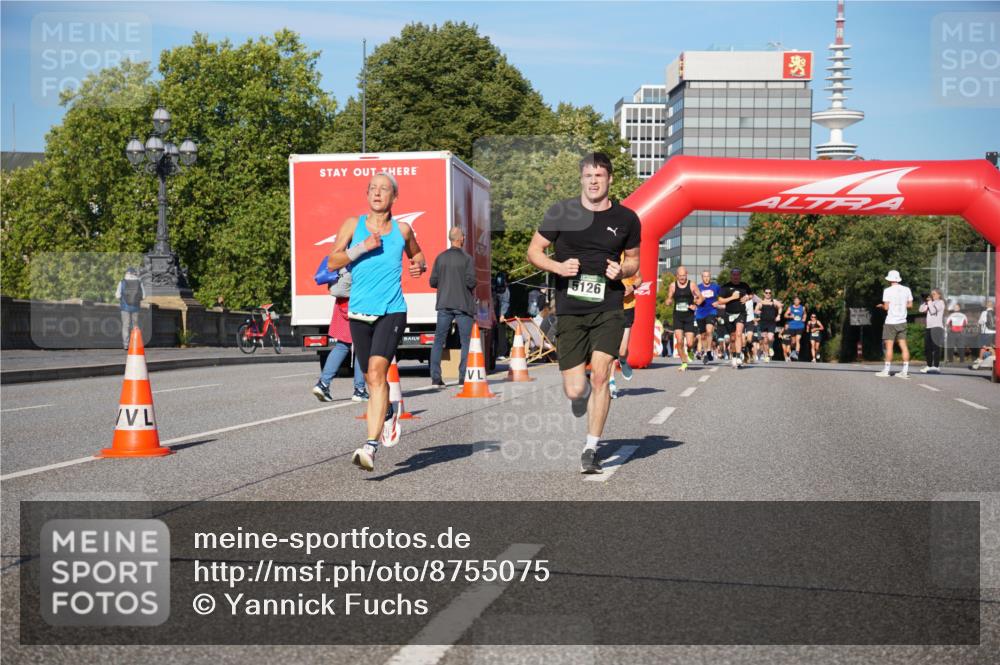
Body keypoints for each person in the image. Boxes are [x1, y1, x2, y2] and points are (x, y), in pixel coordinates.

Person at [526, 152, 640, 475]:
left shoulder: (627, 218)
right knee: (575, 389)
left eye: (599, 176)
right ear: (581, 179)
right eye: (588, 176)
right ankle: (583, 395)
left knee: (602, 372)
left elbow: (635, 260)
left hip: (609, 306)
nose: (593, 181)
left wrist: (622, 270)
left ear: (609, 179)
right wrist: (558, 267)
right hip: (571, 310)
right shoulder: (562, 213)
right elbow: (534, 251)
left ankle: (591, 449)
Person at [327, 172, 427, 471]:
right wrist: (361, 248)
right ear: (367, 195)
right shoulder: (352, 225)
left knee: (375, 370)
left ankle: (370, 446)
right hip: (359, 311)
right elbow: (332, 261)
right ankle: (386, 412)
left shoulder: (403, 230)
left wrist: (418, 265)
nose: (378, 193)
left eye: (384, 189)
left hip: (392, 310)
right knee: (372, 380)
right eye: (373, 189)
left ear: (394, 197)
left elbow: (418, 254)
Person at [429, 227, 476, 388]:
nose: (464, 238)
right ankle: (463, 377)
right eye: (464, 236)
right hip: (463, 305)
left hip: (444, 304)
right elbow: (471, 282)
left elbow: (432, 282)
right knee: (466, 342)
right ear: (460, 238)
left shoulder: (440, 258)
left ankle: (436, 378)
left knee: (438, 340)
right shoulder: (467, 258)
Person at [312, 269, 367, 402]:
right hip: (358, 302)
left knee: (342, 345)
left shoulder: (342, 256)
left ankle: (323, 383)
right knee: (362, 346)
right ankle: (359, 390)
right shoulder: (359, 253)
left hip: (342, 303)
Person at [611, 257, 641, 398]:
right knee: (609, 347)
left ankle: (623, 360)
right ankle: (611, 383)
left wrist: (632, 287)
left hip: (628, 307)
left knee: (622, 351)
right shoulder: (607, 254)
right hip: (610, 306)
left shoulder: (630, 257)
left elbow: (639, 278)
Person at [875, 269, 913, 378]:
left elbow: (886, 307)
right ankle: (904, 371)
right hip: (902, 321)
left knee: (889, 346)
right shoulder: (907, 289)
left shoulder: (887, 291)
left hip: (891, 322)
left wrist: (882, 306)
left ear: (889, 280)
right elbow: (910, 305)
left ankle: (886, 371)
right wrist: (901, 305)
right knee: (903, 345)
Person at [715, 268, 754, 369]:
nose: (736, 277)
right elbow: (720, 301)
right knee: (732, 337)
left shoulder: (744, 285)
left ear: (740, 276)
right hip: (728, 314)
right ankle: (734, 356)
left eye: (738, 275)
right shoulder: (725, 287)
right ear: (731, 276)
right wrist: (732, 297)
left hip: (741, 313)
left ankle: (738, 355)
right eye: (734, 275)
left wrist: (747, 298)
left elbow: (751, 294)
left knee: (738, 333)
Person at [665, 267, 701, 371]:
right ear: (677, 275)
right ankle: (684, 363)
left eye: (684, 276)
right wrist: (668, 301)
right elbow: (669, 298)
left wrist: (695, 304)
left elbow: (701, 297)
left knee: (689, 342)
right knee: (679, 341)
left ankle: (690, 350)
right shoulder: (673, 285)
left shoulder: (692, 284)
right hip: (677, 317)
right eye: (680, 276)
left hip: (689, 316)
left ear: (687, 275)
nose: (682, 278)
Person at [694, 270, 720, 364]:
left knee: (709, 331)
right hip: (700, 313)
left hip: (711, 311)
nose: (706, 278)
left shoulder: (716, 287)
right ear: (702, 277)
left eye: (708, 276)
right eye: (704, 276)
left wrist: (718, 302)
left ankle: (709, 350)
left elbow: (722, 297)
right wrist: (698, 301)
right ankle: (705, 353)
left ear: (710, 277)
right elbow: (694, 300)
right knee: (703, 335)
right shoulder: (698, 287)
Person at [116, 267, 145, 350]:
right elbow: (144, 296)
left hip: (125, 308)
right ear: (135, 273)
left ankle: (126, 344)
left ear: (126, 273)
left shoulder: (122, 282)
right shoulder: (139, 282)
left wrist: (123, 299)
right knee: (135, 326)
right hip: (136, 307)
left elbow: (117, 295)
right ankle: (135, 343)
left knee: (126, 326)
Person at [918, 289, 945, 374]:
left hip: (937, 327)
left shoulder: (940, 302)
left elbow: (933, 311)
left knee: (936, 348)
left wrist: (929, 302)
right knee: (927, 348)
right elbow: (921, 310)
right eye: (931, 294)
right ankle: (929, 366)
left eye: (934, 294)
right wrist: (925, 302)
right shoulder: (930, 302)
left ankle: (936, 366)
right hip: (929, 327)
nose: (932, 295)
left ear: (939, 295)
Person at [755, 289, 781, 363]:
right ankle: (766, 355)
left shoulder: (774, 301)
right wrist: (757, 311)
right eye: (766, 293)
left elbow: (780, 307)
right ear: (764, 294)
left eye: (769, 293)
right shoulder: (761, 302)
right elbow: (756, 309)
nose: (768, 294)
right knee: (765, 340)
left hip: (772, 322)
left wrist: (779, 315)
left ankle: (770, 347)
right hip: (763, 322)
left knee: (770, 338)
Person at [973, 300, 995, 370]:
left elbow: (981, 321)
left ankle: (981, 359)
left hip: (987, 332)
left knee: (984, 346)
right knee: (990, 346)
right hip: (995, 332)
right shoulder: (996, 313)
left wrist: (978, 323)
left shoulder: (984, 312)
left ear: (986, 306)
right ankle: (988, 358)